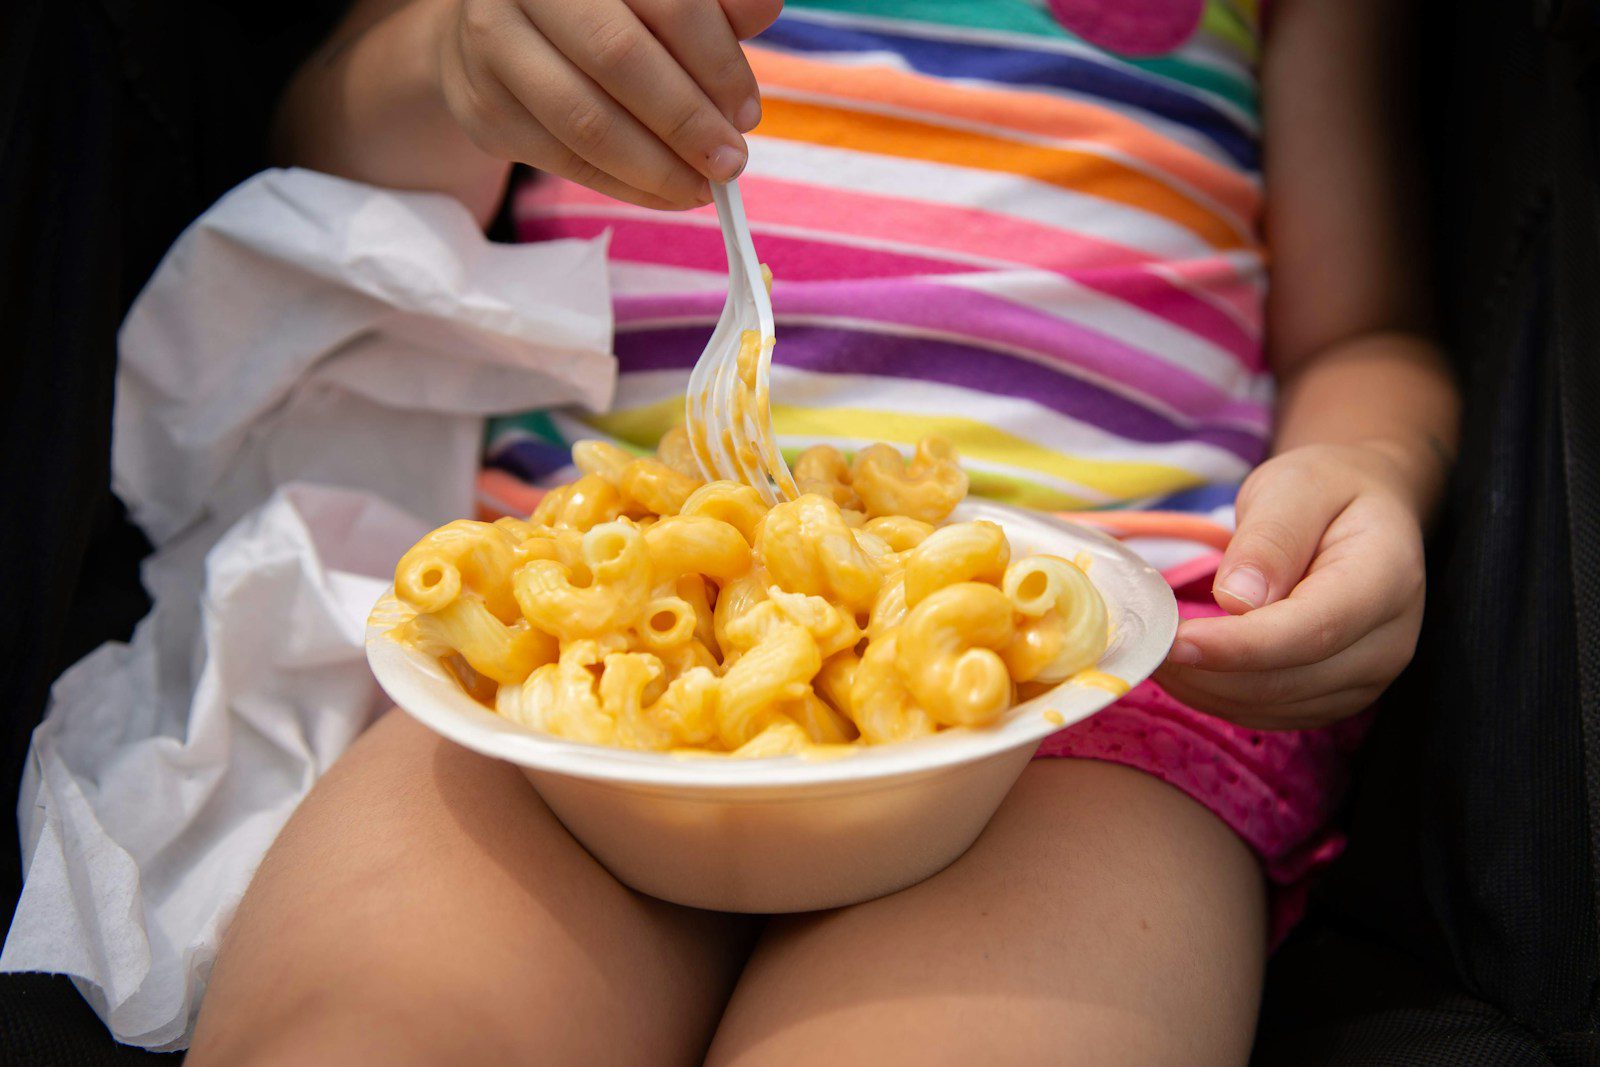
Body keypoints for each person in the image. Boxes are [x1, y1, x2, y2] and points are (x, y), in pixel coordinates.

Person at [187, 1, 1458, 1062]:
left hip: (1084, 692)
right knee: (355, 1033)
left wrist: (1374, 468)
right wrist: (456, 60)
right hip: (561, 650)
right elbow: (331, 171)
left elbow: (1361, 330)